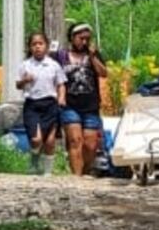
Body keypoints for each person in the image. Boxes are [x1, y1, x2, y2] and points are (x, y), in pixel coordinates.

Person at [57, 23, 107, 176]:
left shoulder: (93, 55)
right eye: (81, 38)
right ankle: (76, 177)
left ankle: (85, 172)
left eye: (87, 39)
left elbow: (103, 73)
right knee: (74, 141)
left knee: (90, 145)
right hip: (70, 105)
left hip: (90, 106)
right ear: (72, 38)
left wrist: (92, 56)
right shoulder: (61, 56)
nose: (84, 42)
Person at [17, 32, 66, 176]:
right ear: (30, 47)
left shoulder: (53, 65)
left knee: (50, 141)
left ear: (46, 46)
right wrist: (24, 80)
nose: (37, 47)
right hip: (32, 104)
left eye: (40, 44)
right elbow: (18, 85)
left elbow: (61, 83)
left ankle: (47, 171)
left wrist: (61, 98)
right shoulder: (25, 65)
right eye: (34, 44)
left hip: (50, 104)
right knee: (36, 139)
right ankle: (34, 161)